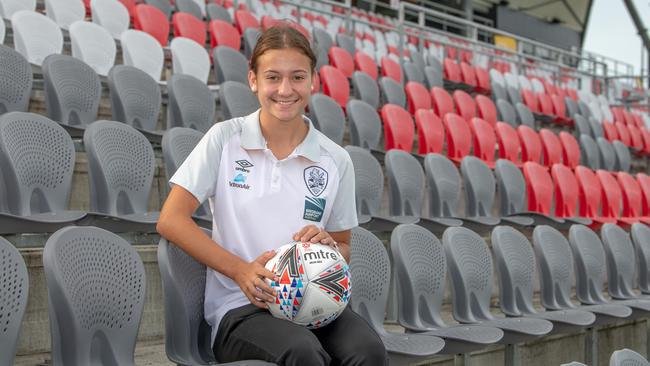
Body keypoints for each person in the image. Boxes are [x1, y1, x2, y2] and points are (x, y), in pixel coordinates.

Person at [157, 24, 388, 366]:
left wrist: (328, 246)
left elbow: (343, 246)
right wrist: (240, 270)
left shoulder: (334, 159)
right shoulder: (224, 139)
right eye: (272, 77)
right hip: (242, 307)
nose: (285, 89)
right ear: (253, 80)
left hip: (314, 302)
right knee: (302, 353)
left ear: (313, 82)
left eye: (297, 77)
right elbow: (170, 220)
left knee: (368, 351)